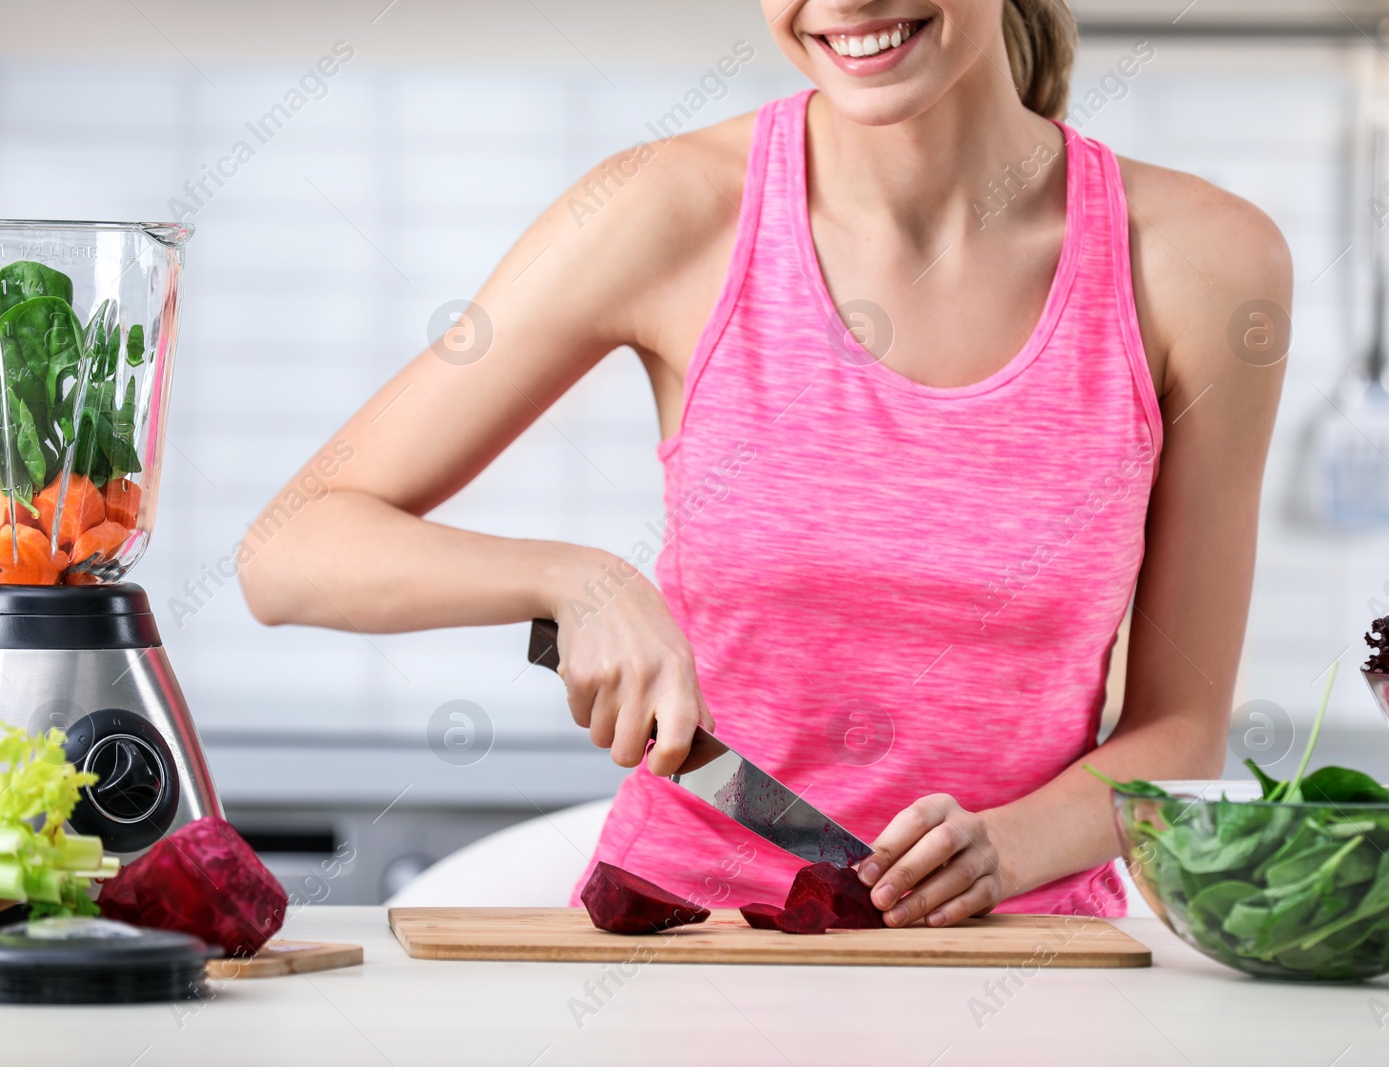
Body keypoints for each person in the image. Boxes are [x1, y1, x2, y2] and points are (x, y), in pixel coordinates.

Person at [238, 0, 1289, 925]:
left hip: (1033, 972)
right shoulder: (670, 208)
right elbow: (289, 549)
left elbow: (1182, 732)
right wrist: (575, 578)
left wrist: (1003, 848)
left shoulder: (1202, 261)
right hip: (688, 958)